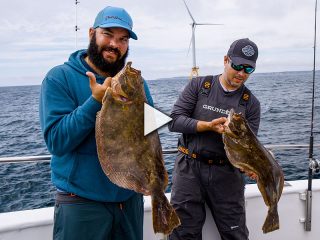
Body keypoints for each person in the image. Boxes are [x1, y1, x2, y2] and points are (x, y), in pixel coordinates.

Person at [39, 6, 153, 240]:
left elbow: (150, 132)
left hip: (129, 200)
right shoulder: (59, 77)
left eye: (123, 39)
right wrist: (95, 101)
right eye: (108, 34)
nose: (114, 44)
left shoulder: (135, 82)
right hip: (81, 203)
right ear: (92, 33)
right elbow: (57, 141)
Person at [168, 38, 261, 240]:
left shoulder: (251, 104)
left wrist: (253, 166)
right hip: (189, 170)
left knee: (236, 235)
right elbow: (174, 121)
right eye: (237, 66)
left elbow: (249, 147)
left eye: (248, 69)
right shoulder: (199, 85)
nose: (241, 73)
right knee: (183, 234)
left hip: (227, 174)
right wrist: (206, 126)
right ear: (226, 60)